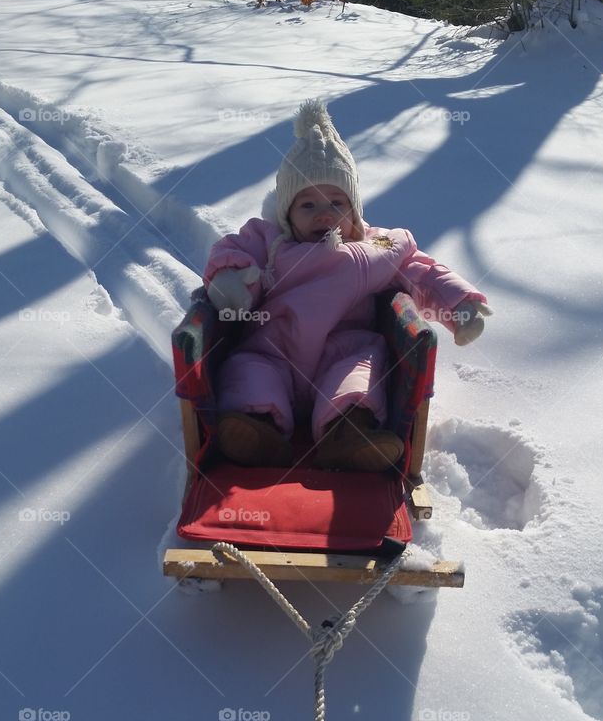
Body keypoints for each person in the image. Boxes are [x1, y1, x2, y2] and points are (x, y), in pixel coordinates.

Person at [203, 99, 491, 471]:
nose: (324, 213)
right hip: (274, 350)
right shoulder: (270, 241)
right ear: (286, 212)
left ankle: (351, 434)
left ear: (353, 208)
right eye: (307, 205)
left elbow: (419, 269)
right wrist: (230, 281)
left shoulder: (379, 245)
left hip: (345, 350)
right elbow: (231, 250)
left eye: (337, 203)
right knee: (248, 372)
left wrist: (458, 304)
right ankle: (255, 431)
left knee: (362, 374)